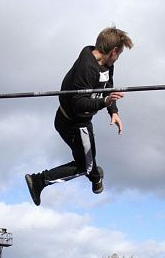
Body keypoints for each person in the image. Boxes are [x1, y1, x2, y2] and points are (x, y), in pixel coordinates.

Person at [25, 27, 134, 205]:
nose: (118, 58)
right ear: (113, 51)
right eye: (119, 54)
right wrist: (104, 102)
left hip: (73, 122)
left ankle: (95, 176)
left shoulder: (107, 64)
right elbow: (79, 103)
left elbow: (109, 89)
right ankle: (40, 180)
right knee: (86, 165)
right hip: (75, 124)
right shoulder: (86, 68)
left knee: (88, 161)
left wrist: (113, 111)